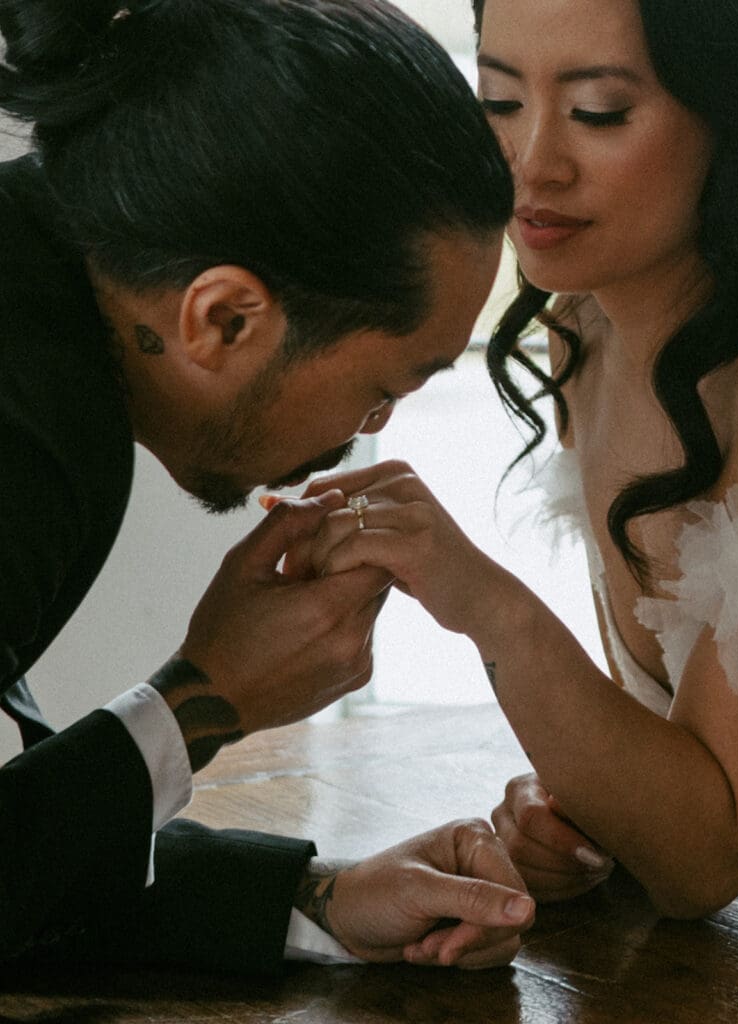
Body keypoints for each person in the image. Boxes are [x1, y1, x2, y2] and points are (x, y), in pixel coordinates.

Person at [0, 0, 539, 975]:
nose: (365, 436)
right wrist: (204, 696)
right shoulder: (34, 424)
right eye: (383, 388)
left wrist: (312, 899)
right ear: (226, 317)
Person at [292, 0, 738, 924]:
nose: (532, 163)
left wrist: (482, 600)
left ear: (733, 116)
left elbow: (706, 859)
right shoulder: (581, 318)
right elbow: (689, 771)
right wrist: (586, 814)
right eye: (499, 101)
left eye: (597, 113)